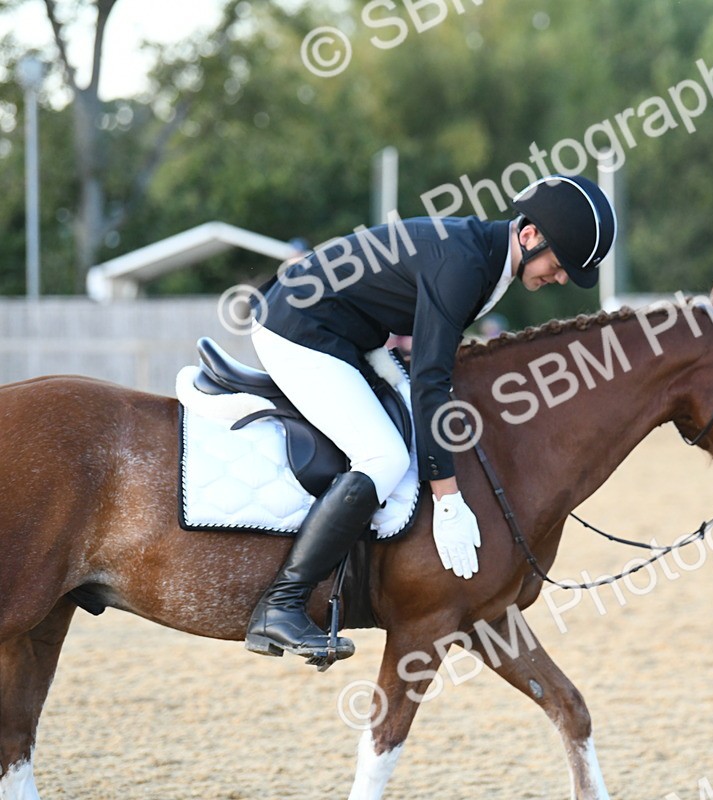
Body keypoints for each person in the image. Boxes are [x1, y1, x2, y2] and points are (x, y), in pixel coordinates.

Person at [244, 174, 617, 661]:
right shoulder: (465, 265)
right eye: (560, 264)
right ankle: (282, 605)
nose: (561, 277)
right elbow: (431, 381)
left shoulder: (487, 257)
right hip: (299, 328)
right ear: (528, 236)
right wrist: (448, 499)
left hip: (347, 330)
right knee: (384, 457)